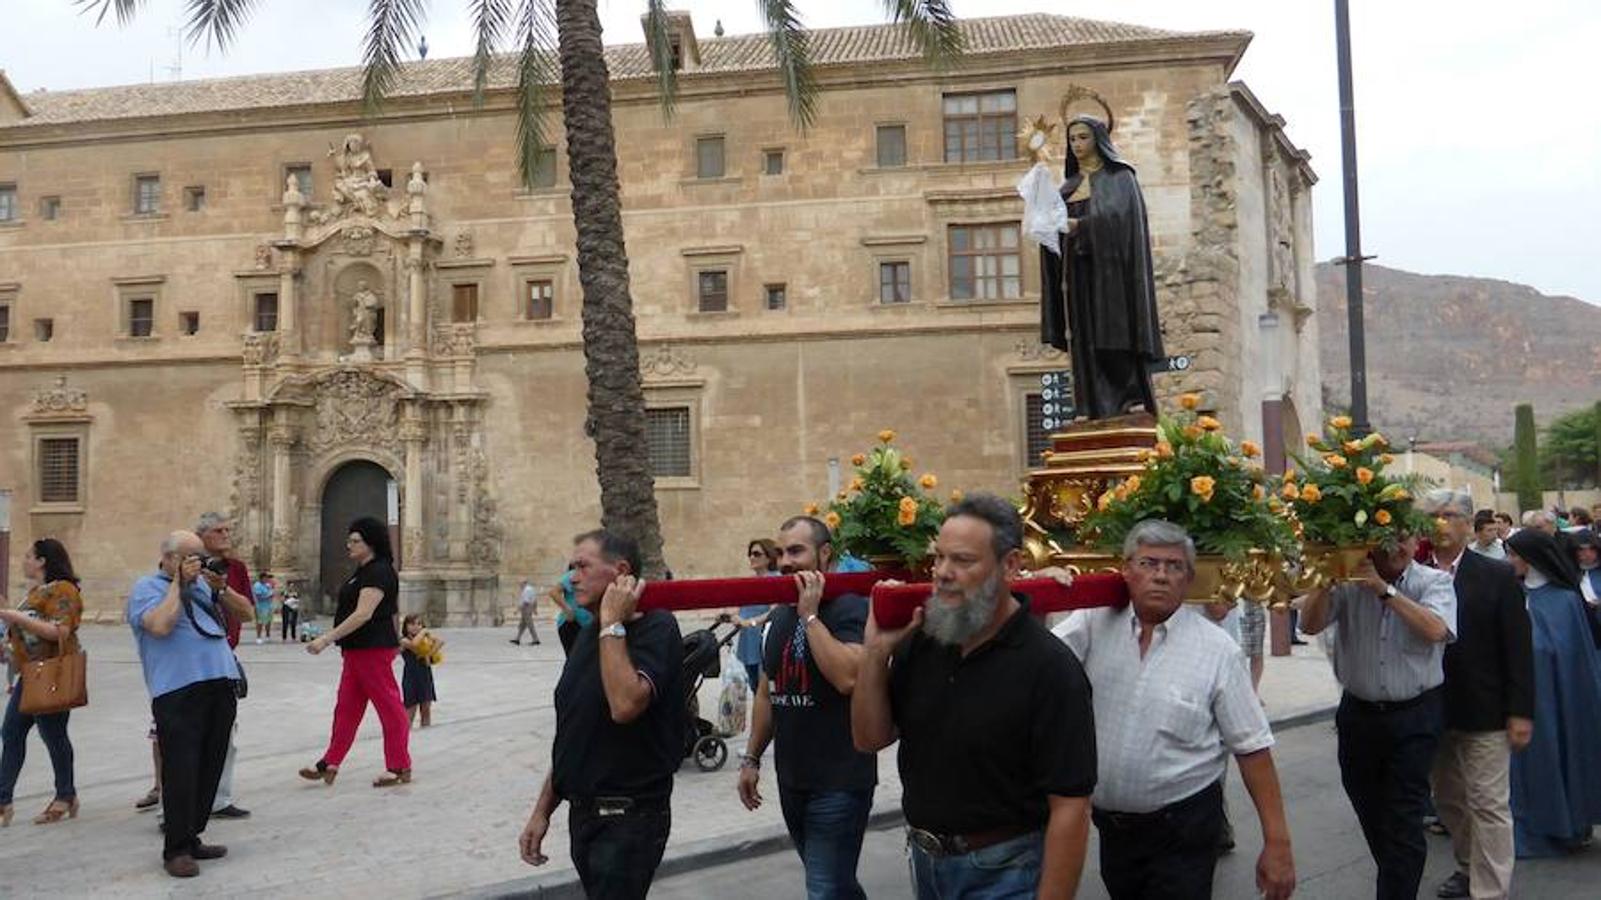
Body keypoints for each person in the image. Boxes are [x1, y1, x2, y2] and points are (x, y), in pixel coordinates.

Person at [853, 494, 1096, 898]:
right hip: (926, 865)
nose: (943, 573)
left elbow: (1071, 805)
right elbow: (868, 738)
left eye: (963, 560)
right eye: (939, 558)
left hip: (1007, 872)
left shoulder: (1050, 667)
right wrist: (875, 654)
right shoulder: (922, 642)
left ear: (1011, 565)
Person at [1054, 521, 1295, 900]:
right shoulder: (1093, 623)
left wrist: (1277, 843)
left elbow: (1253, 750)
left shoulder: (1218, 651)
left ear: (1189, 579)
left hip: (1183, 829)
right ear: (1126, 569)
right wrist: (1043, 589)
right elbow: (1038, 662)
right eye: (1149, 563)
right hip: (1114, 832)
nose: (1161, 576)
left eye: (1174, 566)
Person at [519, 530, 684, 899]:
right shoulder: (589, 633)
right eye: (571, 567)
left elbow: (625, 705)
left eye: (582, 566)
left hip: (628, 822)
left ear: (620, 571)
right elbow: (576, 734)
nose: (571, 578)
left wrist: (612, 623)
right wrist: (542, 811)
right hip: (585, 818)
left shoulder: (656, 627)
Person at [1298, 533, 1456, 900]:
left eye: (1404, 539)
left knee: (1403, 819)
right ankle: (1396, 879)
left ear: (1416, 542)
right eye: (1386, 540)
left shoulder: (1433, 581)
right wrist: (1325, 580)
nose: (1396, 548)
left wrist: (1384, 591)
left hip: (1414, 716)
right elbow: (1309, 625)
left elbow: (1436, 629)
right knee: (1371, 812)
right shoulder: (1349, 582)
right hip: (1359, 716)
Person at [740, 517, 876, 899]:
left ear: (825, 553)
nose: (785, 561)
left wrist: (810, 616)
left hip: (840, 782)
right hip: (792, 781)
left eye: (796, 551)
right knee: (835, 887)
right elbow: (767, 692)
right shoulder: (778, 615)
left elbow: (848, 677)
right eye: (781, 552)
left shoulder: (849, 607)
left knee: (824, 888)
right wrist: (751, 758)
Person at [1420, 490, 1534, 900]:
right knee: (1449, 800)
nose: (1441, 523)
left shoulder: (1496, 575)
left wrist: (1520, 711)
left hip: (1486, 710)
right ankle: (1469, 867)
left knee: (1488, 803)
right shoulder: (1414, 574)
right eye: (1433, 515)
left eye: (1450, 515)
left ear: (1469, 525)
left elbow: (1518, 648)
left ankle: (1491, 889)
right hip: (1433, 708)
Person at [127, 530, 251, 878]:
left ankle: (192, 835)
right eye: (189, 557)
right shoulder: (146, 588)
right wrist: (178, 585)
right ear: (168, 558)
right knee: (181, 769)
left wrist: (221, 588)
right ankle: (176, 849)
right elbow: (160, 626)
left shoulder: (205, 587)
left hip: (220, 685)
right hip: (178, 690)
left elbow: (247, 614)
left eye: (200, 556)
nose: (198, 563)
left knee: (210, 764)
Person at [1038, 114, 1163, 420]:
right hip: (1078, 275)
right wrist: (1048, 228)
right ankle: (1089, 405)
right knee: (1084, 338)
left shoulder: (1121, 178)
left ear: (1098, 139)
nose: (1077, 144)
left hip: (1113, 273)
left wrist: (1081, 226)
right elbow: (1053, 228)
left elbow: (1122, 222)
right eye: (1072, 139)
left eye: (1083, 137)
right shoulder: (1068, 187)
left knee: (1116, 333)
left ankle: (1130, 397)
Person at [1503, 528, 1601, 857]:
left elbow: (1575, 655)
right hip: (1523, 691)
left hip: (1556, 693)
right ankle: (1531, 826)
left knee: (1560, 751)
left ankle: (1568, 824)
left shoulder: (1565, 600)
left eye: (1514, 555)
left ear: (1531, 559)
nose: (1509, 561)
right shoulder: (1512, 594)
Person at [299, 516, 412, 788]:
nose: (349, 544)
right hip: (355, 650)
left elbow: (363, 614)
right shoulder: (362, 571)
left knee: (389, 706)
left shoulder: (379, 571)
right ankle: (330, 762)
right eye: (349, 540)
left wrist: (326, 639)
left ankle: (399, 765)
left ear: (370, 543)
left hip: (372, 649)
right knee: (346, 709)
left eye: (355, 540)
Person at [0, 538, 85, 828]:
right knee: (11, 732)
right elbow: (28, 636)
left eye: (28, 556)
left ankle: (65, 795)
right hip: (31, 674)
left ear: (42, 561)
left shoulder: (64, 590)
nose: (23, 561)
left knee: (53, 734)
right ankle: (3, 800)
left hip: (52, 675)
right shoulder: (36, 592)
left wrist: (16, 617)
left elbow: (59, 631)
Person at [194, 512, 253, 820]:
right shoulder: (187, 567)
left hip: (225, 656)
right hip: (190, 660)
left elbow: (247, 612)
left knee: (225, 732)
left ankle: (219, 798)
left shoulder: (236, 568)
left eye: (228, 530)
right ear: (201, 536)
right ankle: (171, 800)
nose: (226, 535)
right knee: (181, 734)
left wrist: (222, 588)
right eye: (219, 531)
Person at [736, 538, 781, 688]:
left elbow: (775, 611)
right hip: (748, 643)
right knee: (754, 687)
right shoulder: (751, 581)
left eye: (756, 554)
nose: (751, 557)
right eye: (750, 554)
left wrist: (750, 622)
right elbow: (742, 608)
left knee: (765, 689)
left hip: (765, 642)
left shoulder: (775, 579)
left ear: (769, 557)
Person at [400, 614, 442, 728]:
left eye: (419, 624)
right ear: (406, 626)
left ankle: (426, 731)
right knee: (410, 709)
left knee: (426, 708)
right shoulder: (404, 640)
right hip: (411, 677)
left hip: (425, 675)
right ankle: (406, 732)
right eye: (412, 624)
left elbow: (439, 641)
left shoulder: (425, 640)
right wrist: (423, 632)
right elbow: (414, 645)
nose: (416, 627)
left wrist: (429, 654)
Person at [550, 563, 594, 657]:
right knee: (574, 658)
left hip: (589, 623)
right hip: (572, 623)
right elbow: (554, 592)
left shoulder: (594, 575)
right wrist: (567, 609)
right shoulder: (572, 575)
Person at [511, 579, 541, 645]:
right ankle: (517, 639)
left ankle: (536, 640)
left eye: (520, 583)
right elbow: (535, 599)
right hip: (528, 608)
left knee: (530, 625)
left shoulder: (526, 590)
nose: (519, 585)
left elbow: (525, 602)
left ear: (524, 583)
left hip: (526, 609)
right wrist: (535, 609)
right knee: (522, 625)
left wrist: (517, 610)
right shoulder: (531, 589)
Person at [251, 572, 275, 644]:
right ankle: (258, 637)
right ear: (262, 578)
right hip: (260, 606)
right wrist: (268, 596)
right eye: (265, 578)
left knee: (268, 621)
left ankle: (268, 636)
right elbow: (258, 597)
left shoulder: (268, 585)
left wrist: (271, 594)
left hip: (269, 606)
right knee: (260, 622)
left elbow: (271, 592)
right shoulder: (257, 585)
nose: (267, 579)